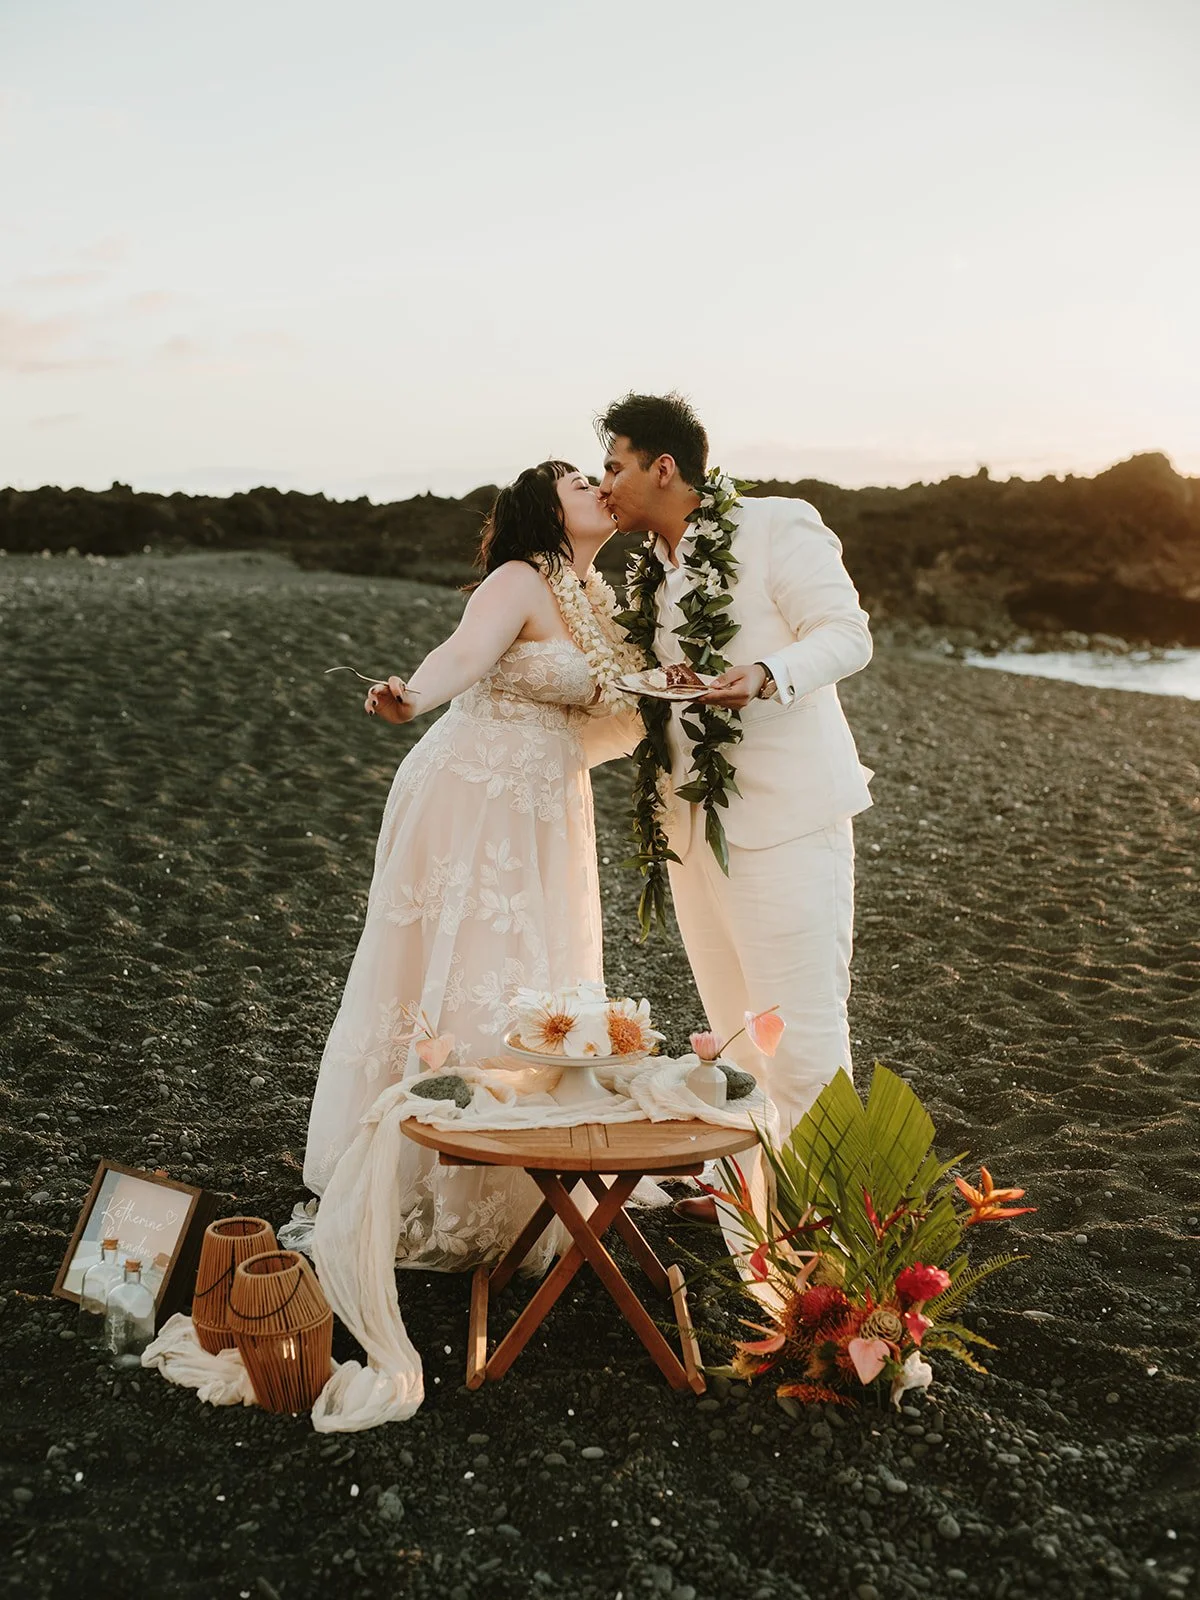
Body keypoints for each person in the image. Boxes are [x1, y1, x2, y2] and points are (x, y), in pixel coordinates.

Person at [301, 461, 641, 1268]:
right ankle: (442, 1178)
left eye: (600, 474)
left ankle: (526, 1166)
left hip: (546, 804)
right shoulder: (520, 579)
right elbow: (464, 653)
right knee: (470, 965)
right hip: (474, 794)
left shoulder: (594, 599)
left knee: (535, 963)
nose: (599, 485)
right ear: (542, 511)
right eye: (577, 481)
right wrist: (410, 697)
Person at [597, 392, 873, 1224]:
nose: (606, 484)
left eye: (615, 466)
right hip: (694, 829)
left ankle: (851, 1257)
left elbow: (848, 632)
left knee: (805, 1045)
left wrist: (767, 673)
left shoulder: (774, 525)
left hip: (785, 819)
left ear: (664, 467)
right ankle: (775, 1234)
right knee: (740, 1043)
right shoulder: (649, 568)